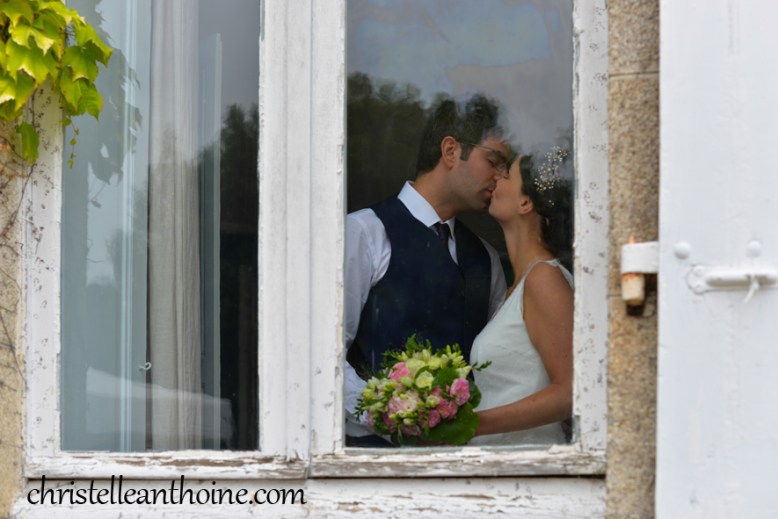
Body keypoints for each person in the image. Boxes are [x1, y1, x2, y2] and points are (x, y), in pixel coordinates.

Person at [344, 94, 509, 445]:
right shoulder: (365, 232)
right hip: (373, 464)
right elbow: (322, 356)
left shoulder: (487, 258)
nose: (502, 176)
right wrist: (386, 414)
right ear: (450, 151)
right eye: (494, 161)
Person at [469, 148, 574, 446]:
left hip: (527, 467)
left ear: (525, 202)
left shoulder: (545, 279)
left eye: (508, 173)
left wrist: (471, 424)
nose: (497, 177)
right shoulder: (517, 286)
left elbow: (570, 391)